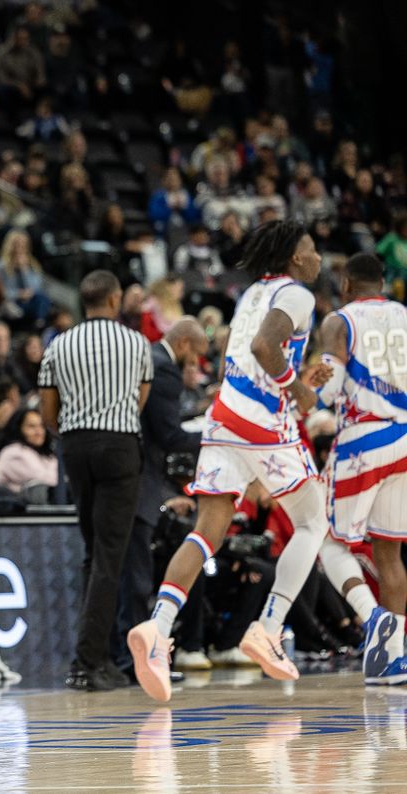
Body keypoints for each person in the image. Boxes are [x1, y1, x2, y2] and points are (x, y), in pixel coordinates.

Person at [128, 220, 337, 703]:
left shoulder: (251, 296)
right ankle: (268, 626)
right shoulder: (298, 294)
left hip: (225, 418)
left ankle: (158, 629)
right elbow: (266, 349)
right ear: (293, 257)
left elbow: (247, 357)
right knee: (314, 521)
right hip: (261, 424)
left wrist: (302, 381)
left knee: (207, 532)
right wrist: (300, 389)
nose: (318, 258)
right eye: (311, 249)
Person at [38, 270, 153, 692]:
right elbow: (137, 401)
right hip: (119, 444)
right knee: (109, 558)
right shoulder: (137, 343)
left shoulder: (59, 344)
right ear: (115, 298)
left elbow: (48, 410)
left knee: (94, 554)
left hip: (75, 446)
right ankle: (88, 662)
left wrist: (70, 432)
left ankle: (98, 656)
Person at [313, 252, 407, 683]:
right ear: (383, 283)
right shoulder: (404, 315)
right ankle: (390, 660)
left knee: (323, 539)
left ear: (346, 284)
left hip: (363, 440)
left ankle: (375, 621)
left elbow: (329, 390)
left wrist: (305, 389)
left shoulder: (340, 320)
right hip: (404, 438)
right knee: (389, 552)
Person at [115, 318, 207, 671]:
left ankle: (122, 658)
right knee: (135, 575)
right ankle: (137, 662)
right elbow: (169, 435)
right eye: (195, 356)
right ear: (183, 343)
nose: (195, 366)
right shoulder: (164, 368)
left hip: (123, 473)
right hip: (138, 477)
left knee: (118, 570)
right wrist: (214, 435)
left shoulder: (147, 359)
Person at [0, 407, 58, 500]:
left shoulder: (46, 454)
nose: (39, 431)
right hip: (18, 511)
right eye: (31, 426)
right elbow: (44, 481)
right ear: (18, 428)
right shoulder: (12, 453)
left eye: (41, 426)